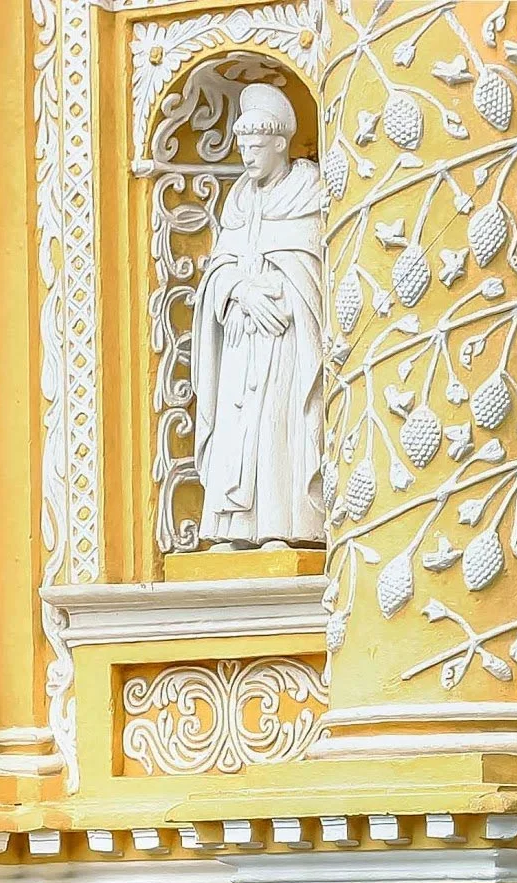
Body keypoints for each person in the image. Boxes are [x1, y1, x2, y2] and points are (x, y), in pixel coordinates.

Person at [189, 82, 328, 549]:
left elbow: (312, 264)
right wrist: (240, 291)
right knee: (238, 428)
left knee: (277, 425)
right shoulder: (240, 200)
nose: (247, 156)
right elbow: (219, 269)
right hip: (243, 336)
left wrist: (283, 294)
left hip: (287, 335)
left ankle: (283, 526)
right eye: (242, 146)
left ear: (279, 144)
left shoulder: (306, 190)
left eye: (255, 146)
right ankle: (236, 527)